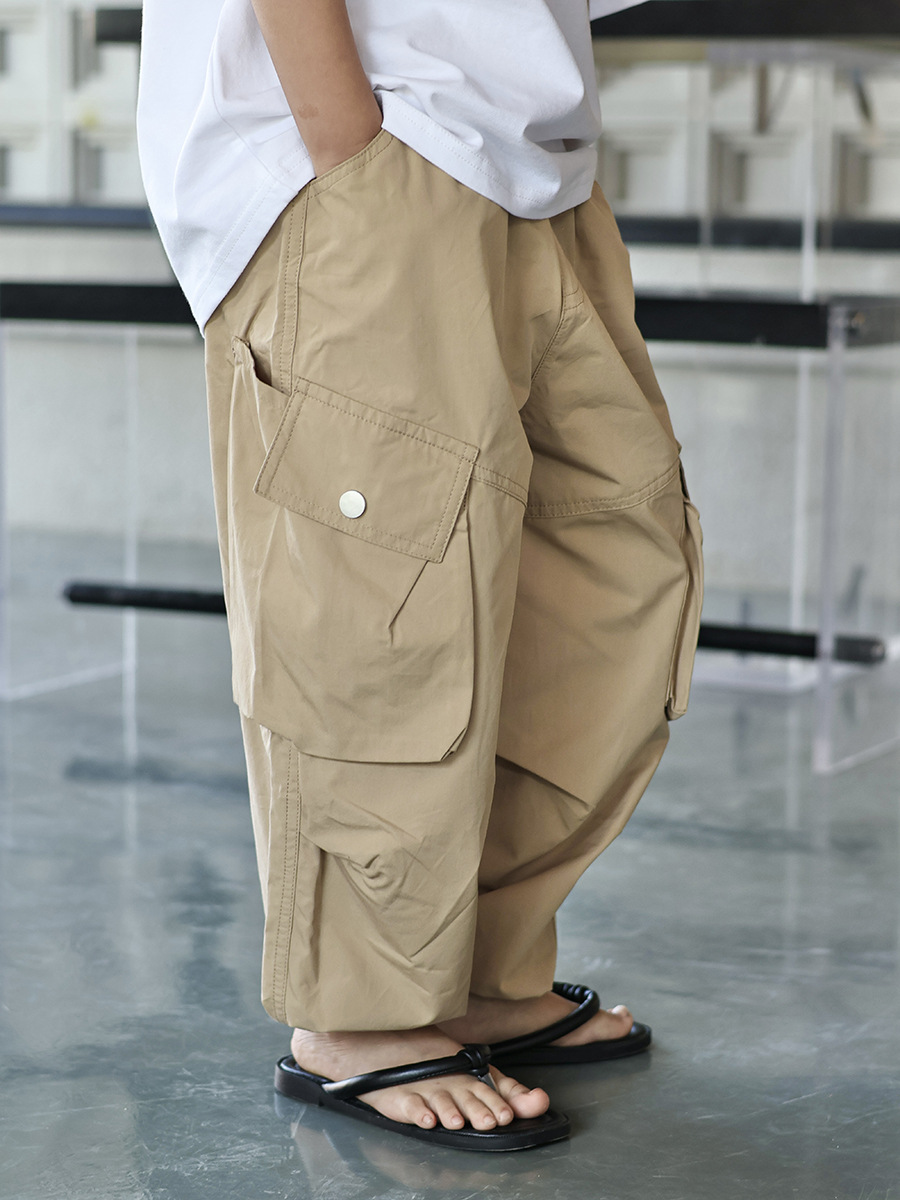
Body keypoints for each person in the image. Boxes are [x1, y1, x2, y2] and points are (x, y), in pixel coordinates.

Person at [137, 0, 703, 1152]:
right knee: (382, 617)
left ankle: (473, 969)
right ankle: (360, 1014)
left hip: (524, 145)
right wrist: (347, 143)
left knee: (603, 581)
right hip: (372, 141)